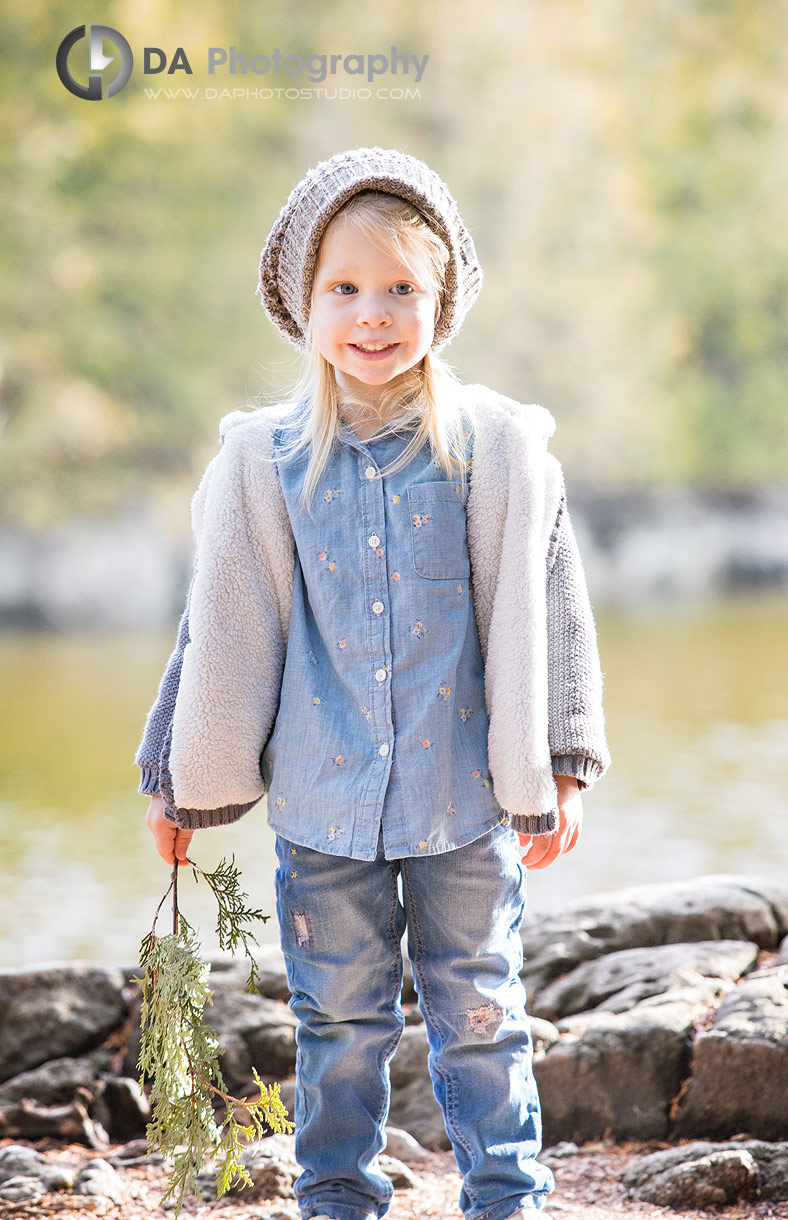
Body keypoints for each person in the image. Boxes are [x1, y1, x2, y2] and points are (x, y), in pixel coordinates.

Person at [135, 146, 610, 1220]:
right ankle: (339, 1192)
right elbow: (212, 627)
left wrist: (566, 765)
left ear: (443, 302)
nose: (374, 313)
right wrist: (174, 776)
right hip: (323, 806)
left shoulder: (493, 451)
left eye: (402, 288)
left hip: (463, 801)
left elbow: (553, 605)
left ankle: (505, 1193)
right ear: (304, 303)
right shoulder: (265, 462)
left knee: (481, 1006)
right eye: (345, 288)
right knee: (338, 1020)